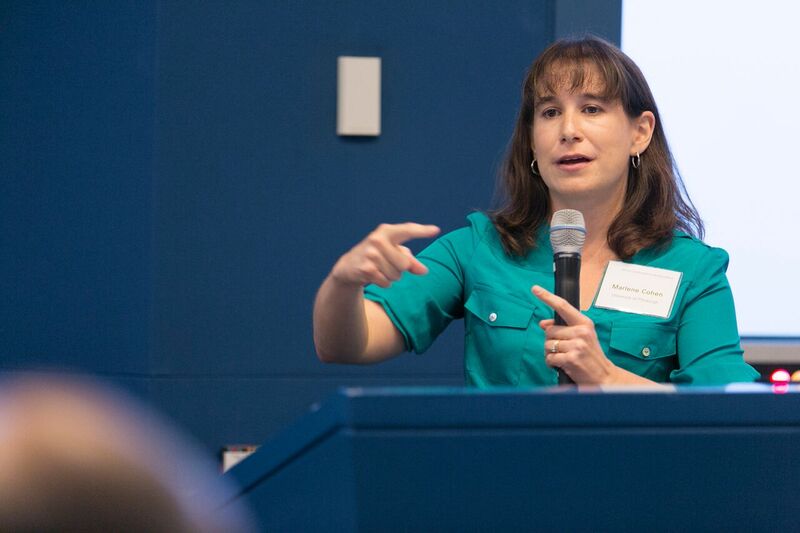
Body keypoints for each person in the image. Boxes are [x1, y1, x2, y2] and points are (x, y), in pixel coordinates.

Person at [312, 35, 759, 387]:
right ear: (531, 140)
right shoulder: (480, 248)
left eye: (591, 108)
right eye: (549, 112)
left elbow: (726, 407)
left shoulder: (692, 269)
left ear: (639, 133)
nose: (568, 130)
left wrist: (606, 377)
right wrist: (343, 284)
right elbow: (347, 344)